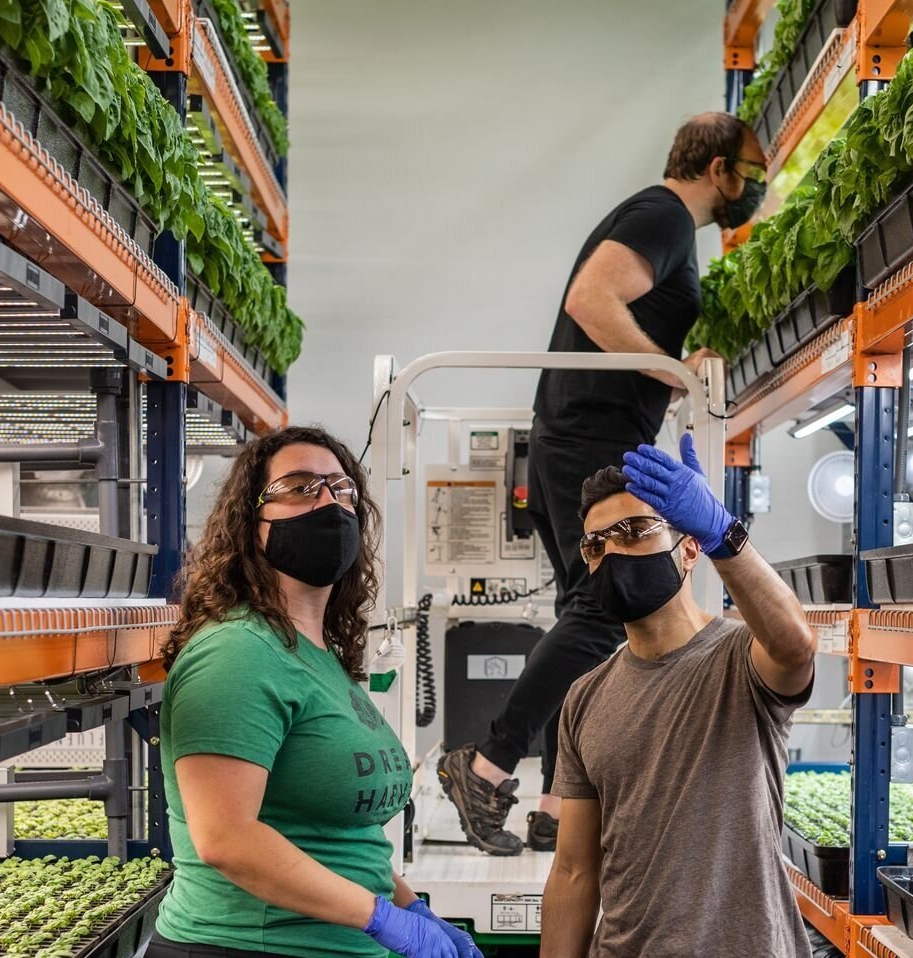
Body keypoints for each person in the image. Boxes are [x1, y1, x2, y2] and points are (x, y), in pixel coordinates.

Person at [438, 112, 769, 856]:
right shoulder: (663, 215)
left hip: (578, 430)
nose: (751, 189)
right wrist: (669, 370)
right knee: (598, 611)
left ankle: (555, 802)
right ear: (717, 169)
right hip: (590, 431)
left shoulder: (659, 222)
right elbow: (591, 301)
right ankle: (485, 765)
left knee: (578, 613)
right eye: (748, 173)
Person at [150, 426, 481, 958]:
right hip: (245, 947)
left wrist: (410, 907)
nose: (329, 502)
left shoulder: (316, 654)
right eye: (301, 487)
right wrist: (378, 918)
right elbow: (227, 839)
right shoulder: (237, 652)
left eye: (341, 489)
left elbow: (343, 836)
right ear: (250, 524)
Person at [540, 434, 816, 958]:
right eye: (595, 544)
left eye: (635, 531)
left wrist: (724, 534)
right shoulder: (584, 698)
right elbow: (574, 872)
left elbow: (796, 645)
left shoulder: (741, 659)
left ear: (688, 548)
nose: (612, 550)